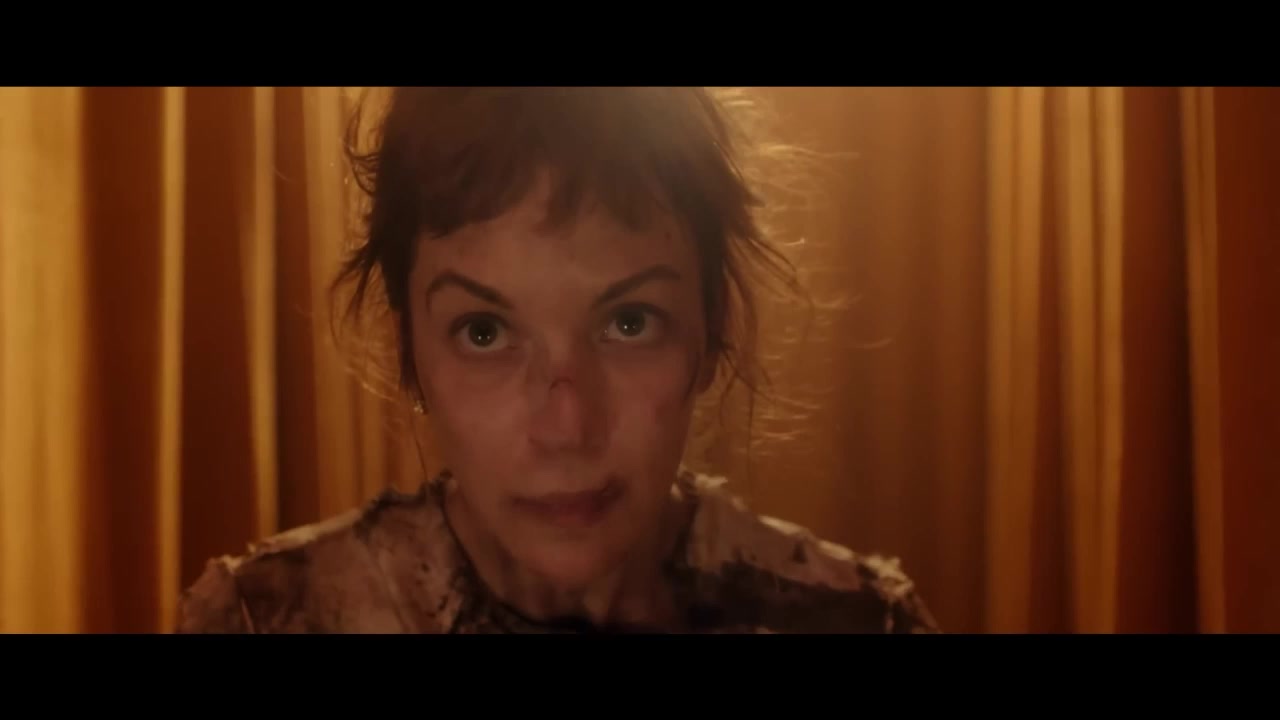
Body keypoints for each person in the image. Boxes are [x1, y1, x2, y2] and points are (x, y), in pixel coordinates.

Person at [175, 87, 939, 634]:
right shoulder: (267, 618)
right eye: (483, 332)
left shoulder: (853, 620)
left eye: (629, 323)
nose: (567, 426)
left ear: (712, 330)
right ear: (410, 351)